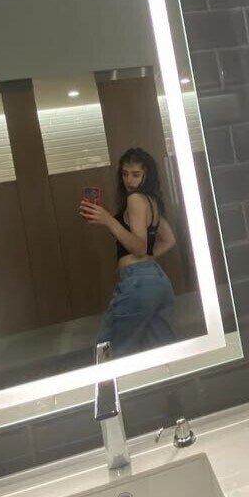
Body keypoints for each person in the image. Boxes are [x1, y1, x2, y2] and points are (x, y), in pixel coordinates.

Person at [79, 147, 176, 357]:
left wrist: (108, 220)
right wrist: (147, 261)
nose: (129, 180)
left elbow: (139, 248)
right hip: (158, 281)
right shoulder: (151, 201)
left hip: (137, 283)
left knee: (109, 348)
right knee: (161, 352)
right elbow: (169, 240)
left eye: (135, 174)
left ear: (147, 175)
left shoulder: (135, 199)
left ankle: (107, 380)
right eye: (125, 174)